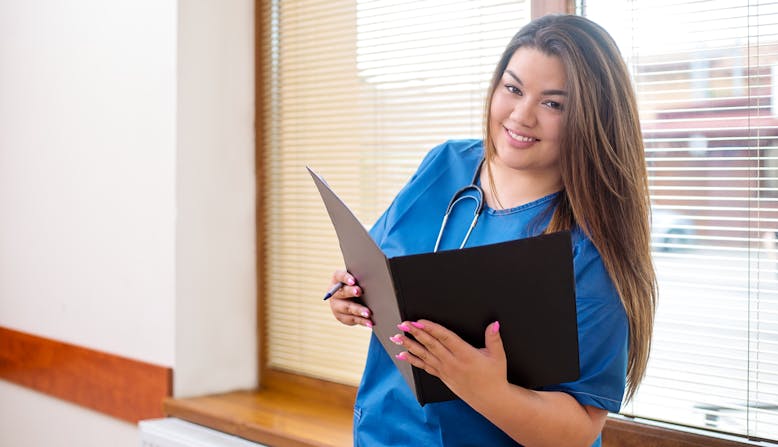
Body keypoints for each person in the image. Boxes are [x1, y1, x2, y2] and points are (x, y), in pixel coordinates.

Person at [326, 13, 656, 447]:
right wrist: (350, 296)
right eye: (513, 88)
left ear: (592, 118)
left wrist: (486, 390)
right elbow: (378, 268)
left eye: (553, 103)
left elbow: (579, 429)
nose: (521, 115)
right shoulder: (444, 164)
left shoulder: (591, 246)